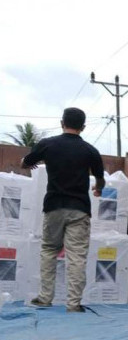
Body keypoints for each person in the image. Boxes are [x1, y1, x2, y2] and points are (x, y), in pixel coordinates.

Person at [21, 107, 105, 313]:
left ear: (61, 123)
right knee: (76, 256)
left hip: (54, 206)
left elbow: (25, 162)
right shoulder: (90, 151)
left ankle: (44, 298)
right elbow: (100, 178)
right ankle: (73, 304)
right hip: (79, 209)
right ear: (83, 127)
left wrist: (29, 163)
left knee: (49, 250)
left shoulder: (47, 144)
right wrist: (97, 189)